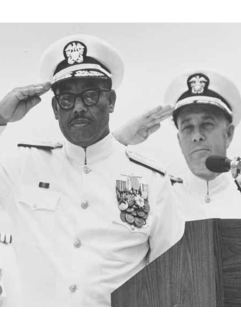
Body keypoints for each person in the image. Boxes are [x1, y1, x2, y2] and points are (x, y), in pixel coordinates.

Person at [0, 34, 184, 306]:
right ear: (54, 107)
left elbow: (174, 279)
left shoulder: (152, 180)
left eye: (90, 95)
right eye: (66, 99)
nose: (77, 107)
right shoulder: (23, 167)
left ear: (110, 101)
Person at [115, 70, 241, 220]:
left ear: (228, 134)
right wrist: (118, 141)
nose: (196, 136)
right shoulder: (157, 199)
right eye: (187, 127)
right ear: (179, 140)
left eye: (207, 124)